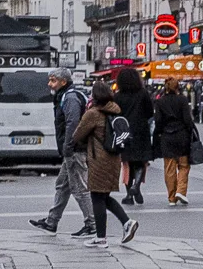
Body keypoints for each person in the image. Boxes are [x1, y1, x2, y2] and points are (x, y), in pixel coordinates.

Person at [30, 68, 96, 237]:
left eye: (53, 80)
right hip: (74, 148)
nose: (49, 84)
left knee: (79, 188)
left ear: (63, 82)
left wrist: (68, 145)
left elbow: (72, 123)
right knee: (62, 185)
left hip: (75, 149)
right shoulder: (65, 95)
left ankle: (92, 224)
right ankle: (52, 222)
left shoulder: (70, 97)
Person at [73, 81, 139, 247]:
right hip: (113, 158)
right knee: (104, 196)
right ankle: (127, 222)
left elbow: (77, 135)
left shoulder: (93, 113)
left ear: (95, 97)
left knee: (97, 196)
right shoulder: (114, 110)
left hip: (98, 159)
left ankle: (101, 238)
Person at [114, 67, 153, 205]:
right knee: (140, 160)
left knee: (127, 162)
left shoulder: (117, 96)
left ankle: (129, 194)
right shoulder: (143, 93)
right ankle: (136, 186)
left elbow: (115, 115)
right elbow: (150, 112)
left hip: (124, 132)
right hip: (141, 130)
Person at [154, 78, 194, 206]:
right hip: (181, 135)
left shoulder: (160, 101)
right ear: (178, 87)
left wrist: (160, 133)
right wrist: (189, 131)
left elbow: (158, 121)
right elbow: (188, 119)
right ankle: (181, 191)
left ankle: (171, 197)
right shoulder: (182, 100)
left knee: (169, 168)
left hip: (167, 136)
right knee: (183, 166)